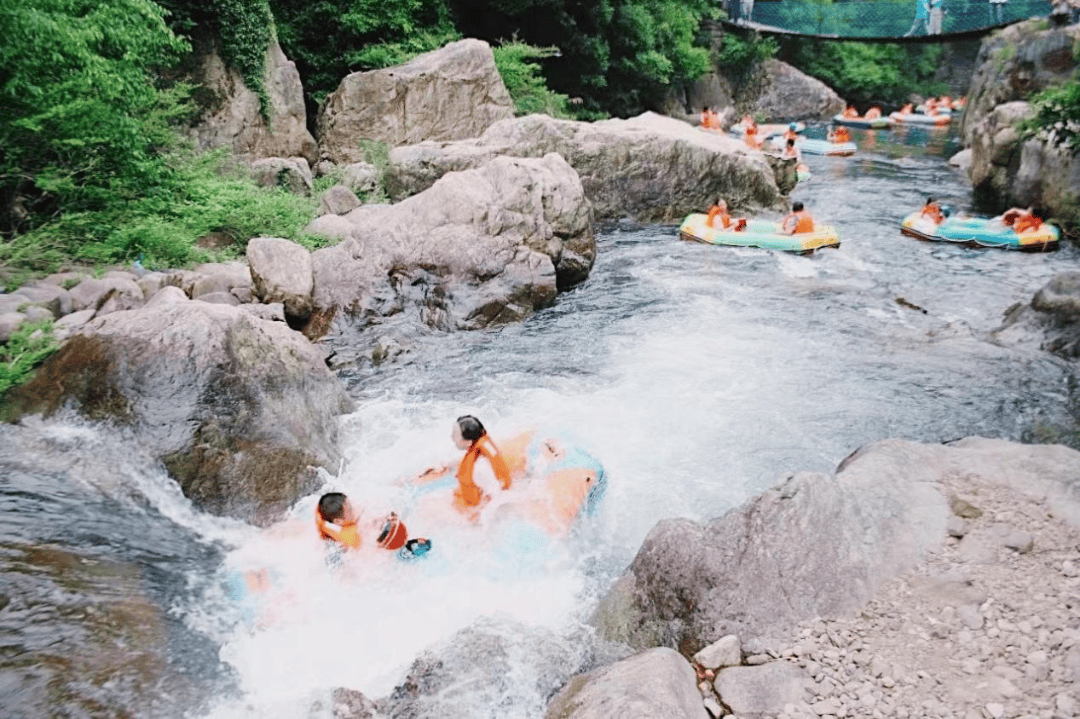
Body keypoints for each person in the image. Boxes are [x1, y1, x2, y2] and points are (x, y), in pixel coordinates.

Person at [315, 492, 431, 558]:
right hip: (341, 554)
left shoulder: (326, 508)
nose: (354, 508)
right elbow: (369, 552)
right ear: (338, 522)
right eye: (350, 510)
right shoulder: (351, 536)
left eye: (350, 505)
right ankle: (407, 551)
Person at [451, 415, 514, 514]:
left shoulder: (480, 467)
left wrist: (475, 515)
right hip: (476, 494)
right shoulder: (480, 448)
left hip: (475, 510)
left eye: (455, 435)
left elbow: (496, 495)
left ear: (468, 442)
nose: (452, 437)